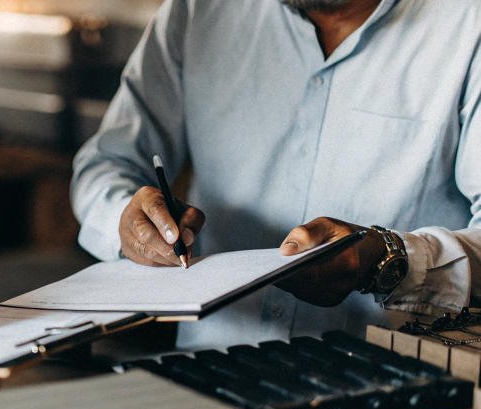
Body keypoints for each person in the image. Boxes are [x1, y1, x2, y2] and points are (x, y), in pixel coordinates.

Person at [72, 0, 481, 350]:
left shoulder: (467, 25)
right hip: (209, 370)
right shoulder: (199, 11)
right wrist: (127, 224)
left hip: (399, 390)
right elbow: (106, 164)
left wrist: (390, 260)